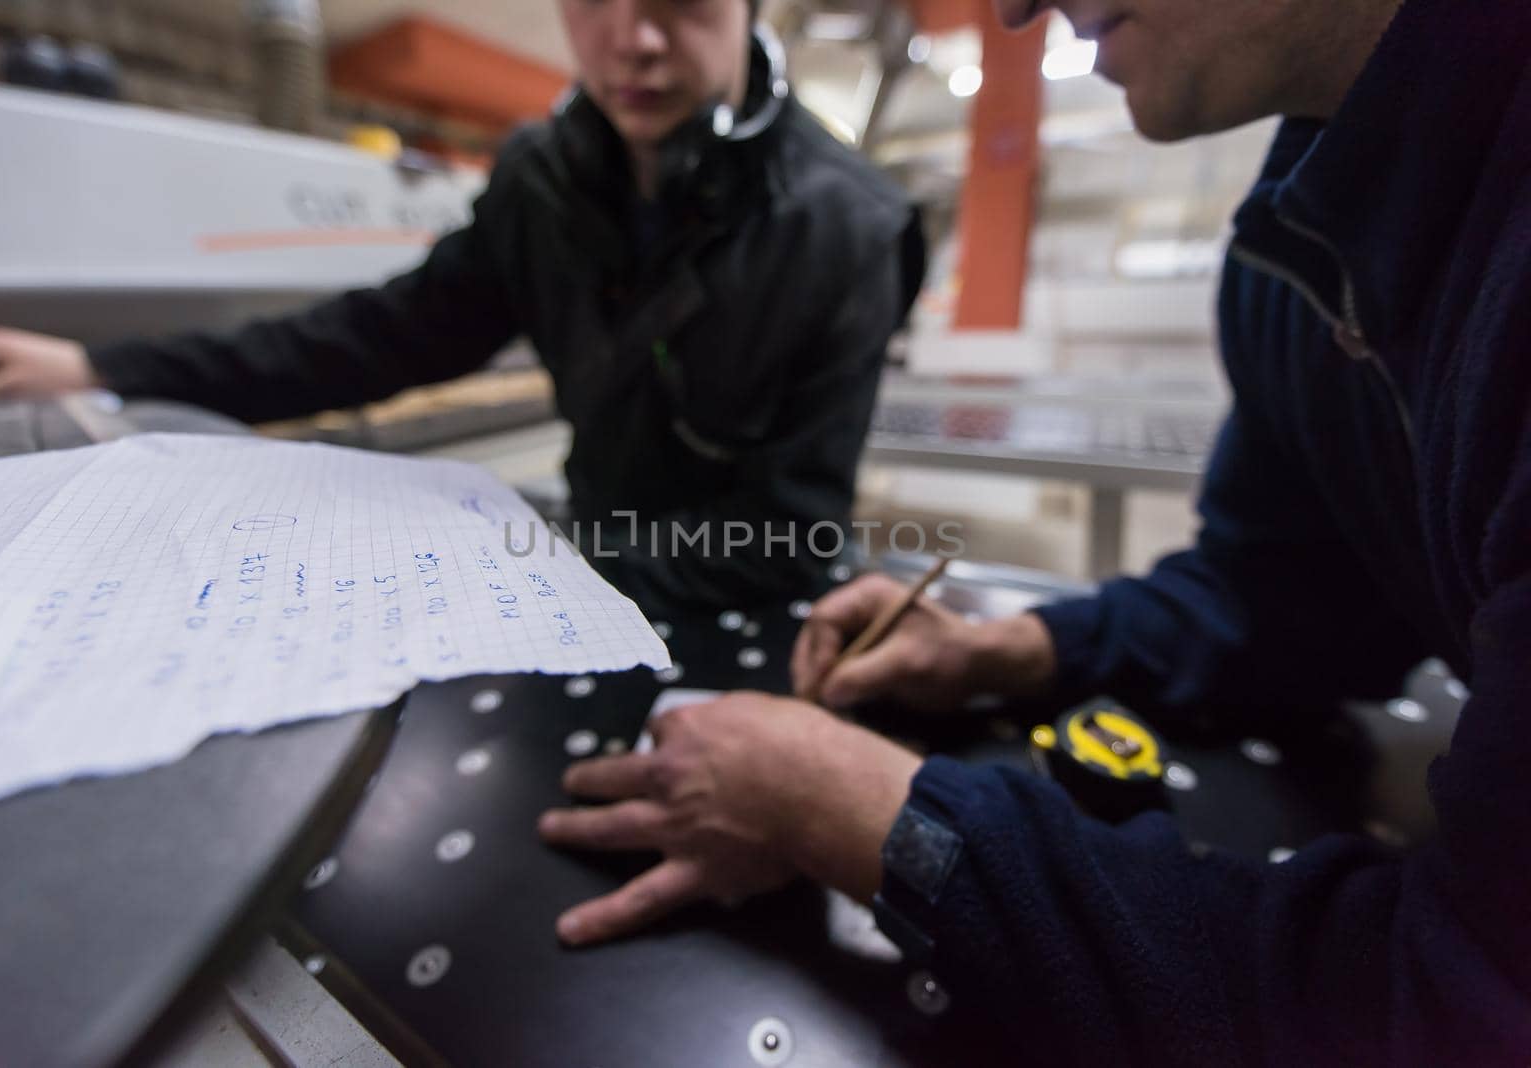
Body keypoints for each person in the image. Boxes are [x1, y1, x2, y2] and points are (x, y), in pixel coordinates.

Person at [536, 0, 1531, 1060]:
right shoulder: (1296, 243)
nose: (1013, 8)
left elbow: (1463, 993)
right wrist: (1009, 651)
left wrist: (852, 809)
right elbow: (1282, 596)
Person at [0, 0, 924, 607]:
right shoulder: (542, 177)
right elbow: (377, 338)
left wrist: (508, 565)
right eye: (590, 0)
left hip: (724, 597)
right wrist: (103, 368)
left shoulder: (850, 229)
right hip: (580, 557)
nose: (633, 40)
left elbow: (785, 542)